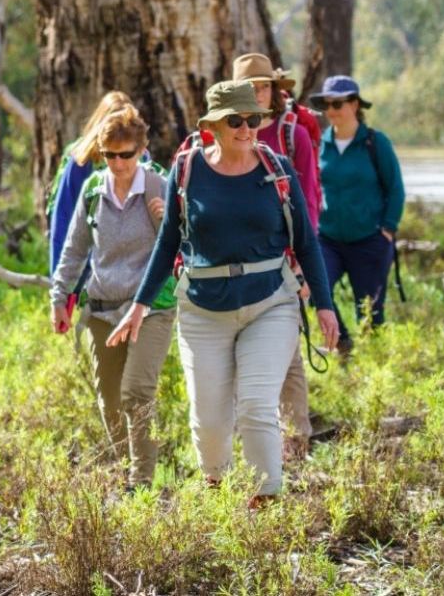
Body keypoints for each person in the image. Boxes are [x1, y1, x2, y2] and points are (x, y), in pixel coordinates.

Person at [110, 80, 341, 503]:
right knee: (211, 421)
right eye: (236, 120)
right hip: (202, 311)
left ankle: (266, 501)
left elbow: (306, 243)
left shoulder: (276, 170)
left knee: (256, 406)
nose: (247, 127)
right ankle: (217, 491)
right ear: (213, 125)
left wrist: (324, 306)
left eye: (253, 118)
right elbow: (167, 244)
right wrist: (139, 306)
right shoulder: (187, 170)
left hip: (271, 304)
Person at [48, 103, 175, 488]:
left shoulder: (158, 186)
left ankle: (142, 482)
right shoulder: (92, 191)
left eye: (126, 155)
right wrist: (60, 297)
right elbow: (74, 250)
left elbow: (184, 244)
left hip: (151, 307)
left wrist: (168, 215)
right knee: (110, 402)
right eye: (109, 155)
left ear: (141, 150)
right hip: (102, 307)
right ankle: (125, 471)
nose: (118, 164)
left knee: (136, 392)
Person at [232, 53, 323, 460]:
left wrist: (304, 260)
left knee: (287, 353)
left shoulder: (292, 136)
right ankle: (245, 440)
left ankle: (295, 439)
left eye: (264, 86)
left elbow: (312, 203)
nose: (257, 94)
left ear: (274, 91)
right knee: (235, 349)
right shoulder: (222, 136)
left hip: (285, 261)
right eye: (249, 87)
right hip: (233, 264)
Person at [311, 73, 407, 336]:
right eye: (326, 105)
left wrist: (387, 230)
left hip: (369, 242)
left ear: (354, 105)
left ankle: (371, 365)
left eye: (337, 104)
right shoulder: (319, 144)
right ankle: (343, 345)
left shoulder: (376, 143)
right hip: (328, 240)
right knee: (315, 291)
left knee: (370, 312)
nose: (331, 111)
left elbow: (396, 189)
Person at [47, 90, 139, 273]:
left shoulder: (141, 157)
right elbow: (62, 221)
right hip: (90, 268)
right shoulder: (81, 162)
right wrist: (59, 282)